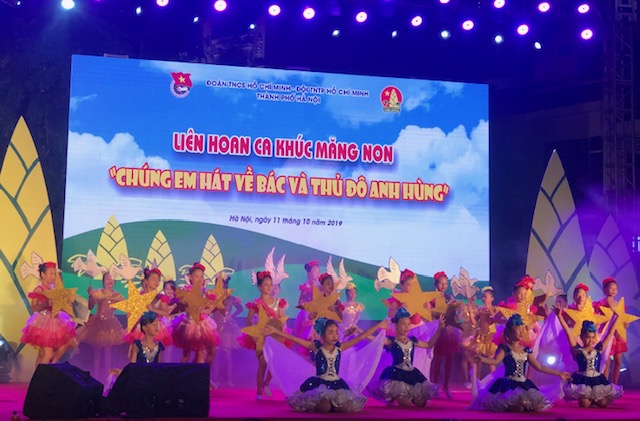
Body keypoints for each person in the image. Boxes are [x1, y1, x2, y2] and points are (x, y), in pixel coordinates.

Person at [266, 317, 389, 412]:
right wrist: (275, 331)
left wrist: (378, 326)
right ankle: (323, 405)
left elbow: (361, 337)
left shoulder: (340, 348)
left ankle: (332, 405)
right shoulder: (316, 347)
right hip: (320, 384)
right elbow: (294, 339)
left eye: (336, 332)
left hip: (337, 384)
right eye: (330, 332)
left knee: (345, 408)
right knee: (324, 407)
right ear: (323, 334)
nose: (334, 335)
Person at [471, 314, 572, 412]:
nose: (521, 332)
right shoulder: (505, 348)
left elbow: (539, 367)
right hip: (508, 384)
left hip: (523, 384)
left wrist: (559, 373)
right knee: (518, 406)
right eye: (518, 329)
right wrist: (482, 359)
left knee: (535, 406)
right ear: (509, 332)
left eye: (522, 329)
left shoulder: (526, 350)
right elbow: (495, 361)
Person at [369, 308, 443, 407]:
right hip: (397, 375)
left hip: (412, 373)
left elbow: (429, 345)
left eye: (408, 324)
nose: (407, 327)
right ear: (396, 325)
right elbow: (374, 339)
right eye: (403, 324)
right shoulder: (391, 341)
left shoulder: (412, 340)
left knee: (421, 403)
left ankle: (402, 398)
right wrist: (360, 332)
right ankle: (394, 397)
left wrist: (439, 329)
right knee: (406, 404)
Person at [556, 308, 623, 407]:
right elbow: (568, 332)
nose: (590, 340)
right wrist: (559, 316)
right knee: (585, 404)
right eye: (587, 337)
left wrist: (617, 317)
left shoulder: (599, 349)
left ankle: (594, 399)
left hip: (597, 380)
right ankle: (589, 399)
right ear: (582, 337)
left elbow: (610, 332)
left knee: (603, 403)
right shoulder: (577, 350)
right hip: (583, 381)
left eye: (592, 337)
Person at [238, 271, 288, 399]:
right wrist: (253, 334)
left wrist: (283, 333)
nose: (269, 287)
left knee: (274, 364)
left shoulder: (278, 302)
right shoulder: (256, 304)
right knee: (262, 364)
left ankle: (266, 383)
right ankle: (259, 391)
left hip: (275, 337)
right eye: (265, 284)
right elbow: (248, 321)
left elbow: (282, 320)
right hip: (261, 337)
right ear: (259, 287)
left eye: (270, 284)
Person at [21, 262, 77, 364]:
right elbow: (33, 308)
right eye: (51, 273)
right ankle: (44, 371)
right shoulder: (39, 290)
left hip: (56, 320)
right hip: (44, 322)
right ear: (43, 274)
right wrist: (46, 304)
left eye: (54, 274)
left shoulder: (54, 289)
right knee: (47, 353)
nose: (53, 276)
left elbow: (60, 306)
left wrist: (67, 303)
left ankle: (49, 366)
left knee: (70, 341)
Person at [77, 272, 125, 377]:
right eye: (107, 278)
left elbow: (127, 307)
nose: (110, 280)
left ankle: (108, 377)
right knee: (97, 352)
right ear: (103, 281)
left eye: (112, 278)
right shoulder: (98, 292)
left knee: (108, 352)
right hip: (98, 324)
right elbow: (90, 307)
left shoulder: (117, 295)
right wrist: (91, 296)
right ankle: (95, 375)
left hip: (110, 325)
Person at [172, 263, 219, 364]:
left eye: (201, 276)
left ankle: (199, 373)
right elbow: (185, 304)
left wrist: (207, 307)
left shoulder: (206, 292)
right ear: (190, 277)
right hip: (190, 323)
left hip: (204, 324)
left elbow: (209, 309)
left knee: (202, 353)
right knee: (186, 354)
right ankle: (183, 373)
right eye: (196, 276)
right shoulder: (186, 290)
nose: (199, 279)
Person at [429, 271, 460, 398]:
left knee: (449, 359)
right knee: (437, 359)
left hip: (449, 331)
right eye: (441, 283)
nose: (443, 286)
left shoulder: (449, 297)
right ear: (436, 284)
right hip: (437, 329)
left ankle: (446, 385)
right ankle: (434, 385)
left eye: (445, 283)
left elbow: (454, 314)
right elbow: (429, 314)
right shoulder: (431, 297)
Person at [593, 277, 629, 384]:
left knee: (618, 361)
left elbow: (622, 319)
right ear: (604, 289)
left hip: (617, 335)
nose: (613, 290)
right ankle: (604, 384)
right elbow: (596, 318)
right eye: (611, 288)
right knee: (606, 361)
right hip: (606, 335)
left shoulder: (619, 305)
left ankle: (615, 384)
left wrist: (625, 324)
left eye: (615, 288)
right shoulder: (600, 304)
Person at [211, 273, 242, 386]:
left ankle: (229, 380)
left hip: (227, 329)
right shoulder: (213, 298)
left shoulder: (230, 298)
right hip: (215, 327)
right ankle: (215, 379)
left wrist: (231, 316)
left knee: (227, 355)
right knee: (215, 355)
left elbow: (240, 308)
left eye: (223, 285)